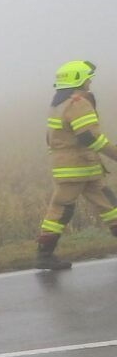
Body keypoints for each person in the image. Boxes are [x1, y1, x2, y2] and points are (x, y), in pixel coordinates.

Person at [36, 60, 117, 270]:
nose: (90, 81)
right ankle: (44, 256)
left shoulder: (58, 104)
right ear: (78, 79)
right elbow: (89, 137)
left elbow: (52, 137)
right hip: (80, 167)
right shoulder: (78, 103)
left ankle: (44, 254)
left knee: (109, 204)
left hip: (76, 167)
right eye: (88, 77)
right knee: (61, 209)